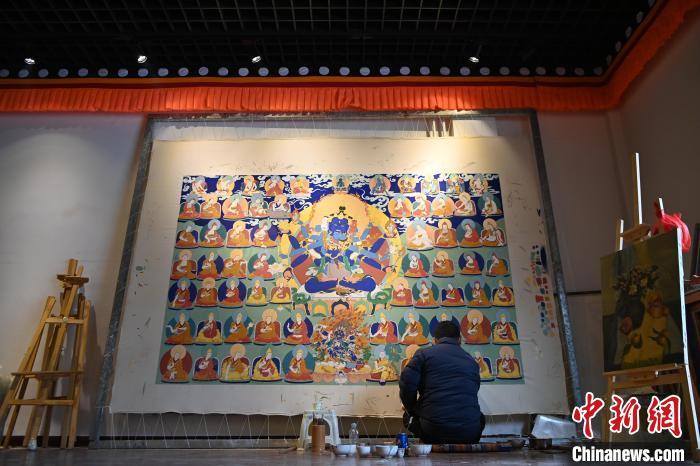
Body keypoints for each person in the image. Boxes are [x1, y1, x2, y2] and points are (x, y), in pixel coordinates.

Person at [399, 321, 484, 444]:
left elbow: (406, 383)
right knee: (479, 417)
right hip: (470, 434)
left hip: (433, 432)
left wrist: (412, 409)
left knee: (408, 416)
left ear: (434, 340)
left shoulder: (423, 354)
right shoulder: (471, 361)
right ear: (459, 340)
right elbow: (474, 390)